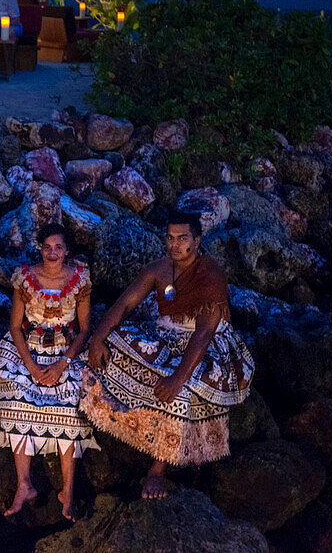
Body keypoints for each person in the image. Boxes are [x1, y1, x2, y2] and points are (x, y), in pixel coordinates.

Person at [82, 211, 255, 499]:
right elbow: (124, 304)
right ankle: (108, 418)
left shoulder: (211, 275)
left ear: (197, 241)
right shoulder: (159, 269)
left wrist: (177, 378)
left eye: (182, 239)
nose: (174, 245)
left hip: (208, 344)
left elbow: (203, 334)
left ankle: (158, 469)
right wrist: (97, 339)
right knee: (109, 343)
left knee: (180, 390)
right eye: (170, 238)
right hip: (165, 331)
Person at [0, 224, 98, 521]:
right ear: (40, 248)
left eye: (58, 247)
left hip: (66, 350)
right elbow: (14, 326)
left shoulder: (80, 279)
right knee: (16, 401)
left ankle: (68, 491)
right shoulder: (25, 277)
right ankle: (24, 485)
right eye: (47, 247)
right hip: (28, 346)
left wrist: (63, 363)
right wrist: (32, 367)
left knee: (73, 409)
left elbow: (85, 329)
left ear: (67, 251)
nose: (52, 253)